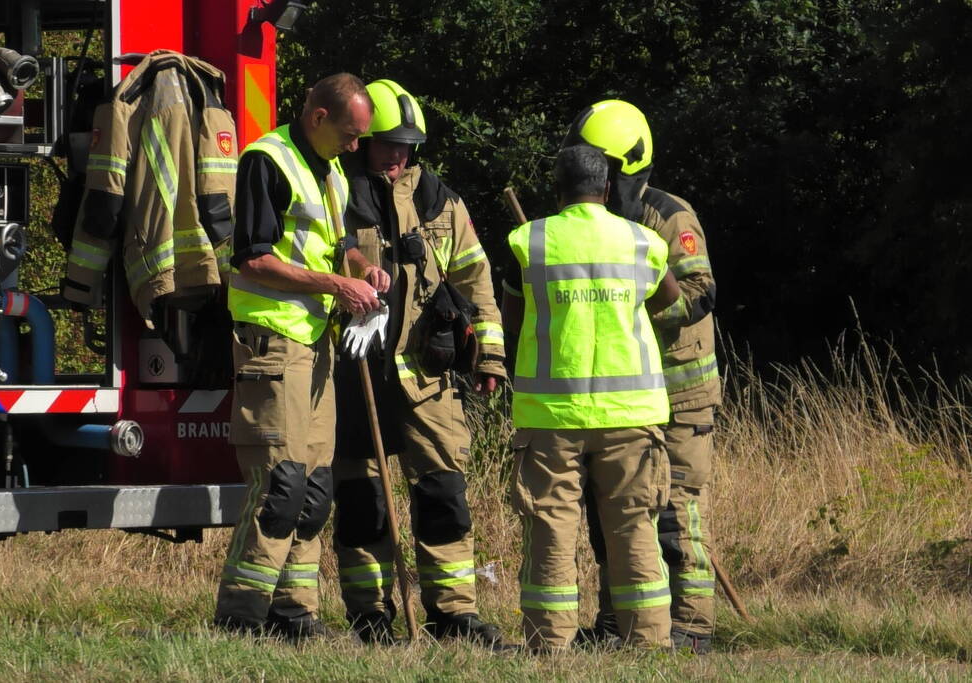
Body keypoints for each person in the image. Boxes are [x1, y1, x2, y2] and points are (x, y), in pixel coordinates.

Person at [329, 79, 508, 648]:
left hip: (426, 377)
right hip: (353, 373)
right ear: (363, 140)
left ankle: (454, 615)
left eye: (407, 146)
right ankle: (370, 618)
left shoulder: (440, 201)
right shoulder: (334, 190)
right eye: (388, 143)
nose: (398, 155)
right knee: (362, 503)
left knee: (444, 495)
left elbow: (476, 281)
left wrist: (491, 356)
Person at [214, 73, 389, 640]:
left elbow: (339, 245)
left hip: (317, 344)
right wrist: (337, 285)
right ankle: (241, 616)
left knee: (314, 491)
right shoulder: (266, 160)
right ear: (318, 117)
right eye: (350, 134)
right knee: (281, 487)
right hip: (272, 341)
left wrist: (364, 269)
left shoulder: (331, 169)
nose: (355, 146)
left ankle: (294, 613)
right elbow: (253, 259)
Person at [502, 144, 680, 652]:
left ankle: (549, 645)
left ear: (557, 190)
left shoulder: (529, 241)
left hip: (552, 415)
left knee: (550, 527)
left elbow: (511, 320)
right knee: (633, 527)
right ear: (606, 188)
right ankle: (648, 643)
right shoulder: (642, 242)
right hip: (631, 414)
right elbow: (670, 297)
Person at [563, 100, 721, 654]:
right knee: (617, 509)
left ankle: (692, 627)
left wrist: (632, 299)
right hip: (625, 397)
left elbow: (700, 295)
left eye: (605, 168)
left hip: (681, 393)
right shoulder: (592, 220)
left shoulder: (670, 216)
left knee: (676, 512)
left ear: (629, 167)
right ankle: (617, 623)